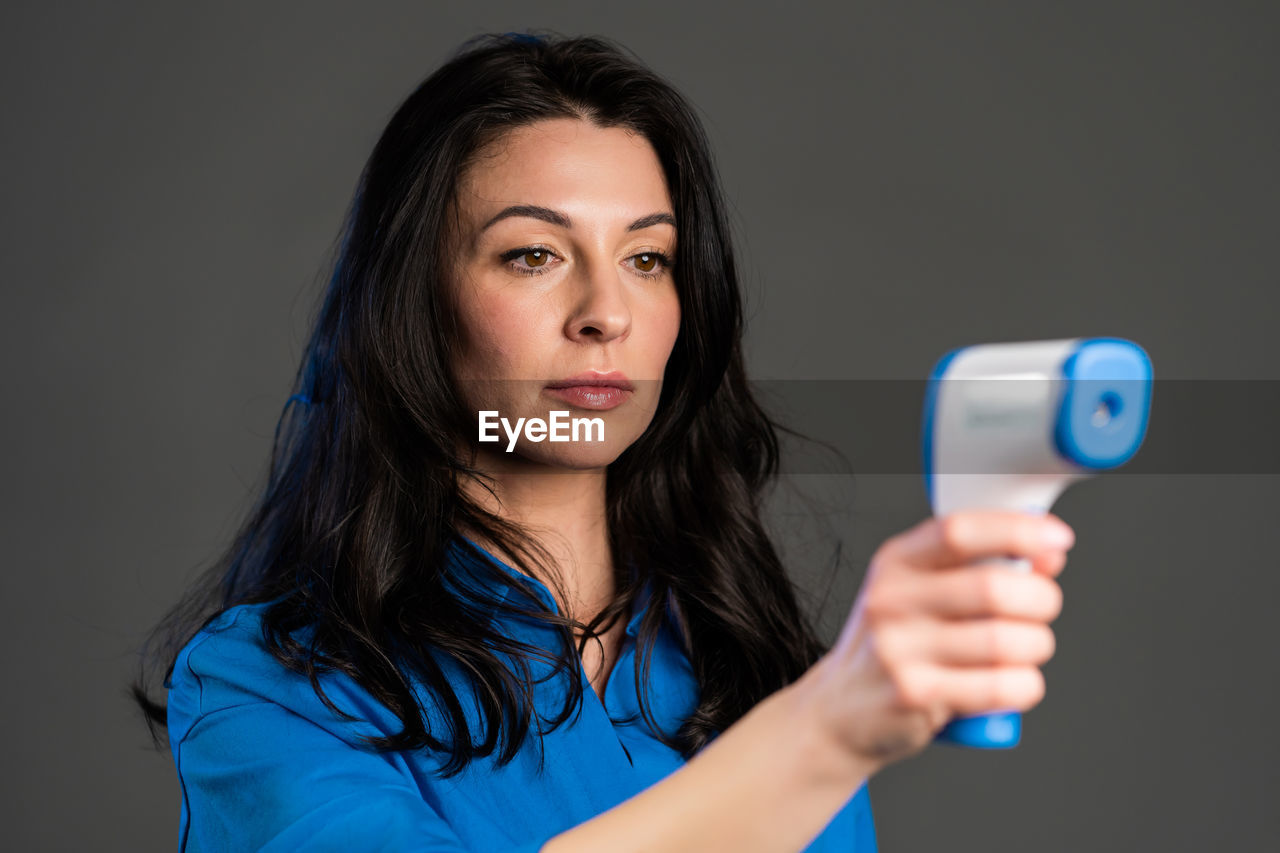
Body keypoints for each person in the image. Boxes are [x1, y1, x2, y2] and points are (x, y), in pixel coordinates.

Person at [129, 31, 1075, 852]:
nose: (605, 314)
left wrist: (814, 724)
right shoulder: (267, 687)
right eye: (533, 254)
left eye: (647, 258)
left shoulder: (750, 674)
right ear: (417, 304)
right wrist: (822, 735)